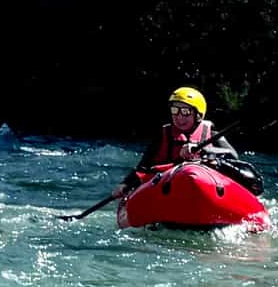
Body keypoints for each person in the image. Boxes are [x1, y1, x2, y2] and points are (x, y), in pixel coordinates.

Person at [61, 85, 261, 222]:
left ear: (198, 115)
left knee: (196, 174)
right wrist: (125, 184)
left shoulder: (211, 134)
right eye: (175, 110)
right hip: (167, 183)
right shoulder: (164, 134)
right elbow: (144, 166)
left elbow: (232, 157)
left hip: (204, 182)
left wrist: (202, 151)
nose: (179, 117)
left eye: (185, 112)